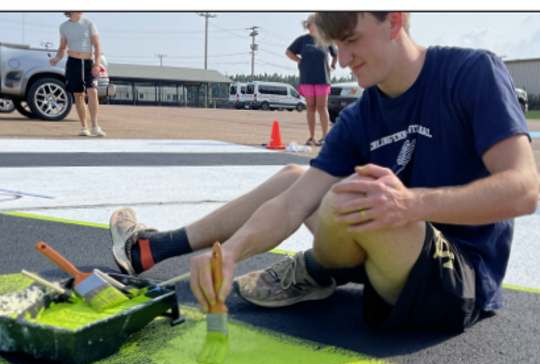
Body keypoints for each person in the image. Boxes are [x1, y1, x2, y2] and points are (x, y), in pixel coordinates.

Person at [110, 12, 538, 332]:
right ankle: (152, 248)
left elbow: (525, 189)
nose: (343, 60)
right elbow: (294, 203)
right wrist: (232, 253)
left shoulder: (471, 72)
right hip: (385, 253)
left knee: (346, 194)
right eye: (336, 46)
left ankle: (315, 267)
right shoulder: (358, 116)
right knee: (297, 178)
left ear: (396, 21)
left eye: (351, 41)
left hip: (458, 278)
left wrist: (412, 204)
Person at [50, 12, 106, 137]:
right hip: (73, 62)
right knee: (78, 95)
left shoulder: (89, 24)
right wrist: (56, 58)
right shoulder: (63, 27)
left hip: (88, 63)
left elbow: (96, 45)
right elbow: (63, 47)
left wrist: (97, 64)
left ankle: (95, 126)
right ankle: (84, 127)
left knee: (93, 92)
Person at [286, 14, 338, 146]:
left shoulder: (326, 40)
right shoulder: (302, 40)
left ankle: (326, 137)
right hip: (307, 78)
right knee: (310, 107)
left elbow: (336, 53)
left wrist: (332, 66)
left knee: (322, 107)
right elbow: (289, 52)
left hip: (323, 78)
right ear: (310, 25)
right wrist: (299, 60)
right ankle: (312, 137)